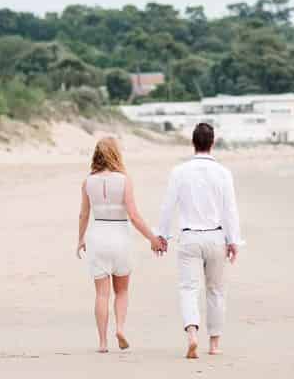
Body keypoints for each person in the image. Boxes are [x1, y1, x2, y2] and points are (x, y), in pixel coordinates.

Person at [157, 122, 241, 359]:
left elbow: (168, 206)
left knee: (188, 289)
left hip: (189, 237)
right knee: (216, 291)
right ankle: (214, 344)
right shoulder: (223, 173)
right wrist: (234, 240)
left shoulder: (179, 172)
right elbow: (230, 210)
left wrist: (162, 235)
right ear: (212, 143)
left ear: (193, 143)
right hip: (216, 236)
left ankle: (192, 333)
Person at [77, 136, 165, 353]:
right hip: (120, 236)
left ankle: (102, 343)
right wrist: (153, 238)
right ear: (116, 154)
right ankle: (121, 329)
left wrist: (80, 239)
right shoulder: (124, 180)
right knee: (122, 291)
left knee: (101, 294)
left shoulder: (88, 182)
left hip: (97, 236)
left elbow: (84, 214)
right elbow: (134, 216)